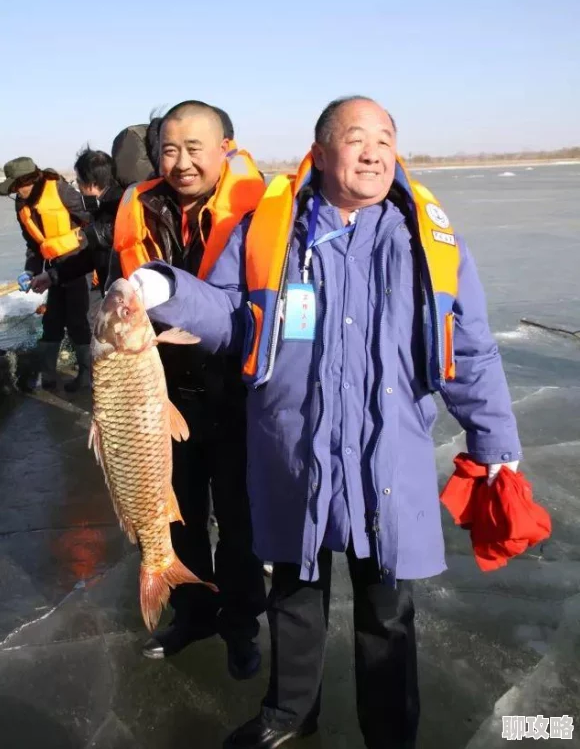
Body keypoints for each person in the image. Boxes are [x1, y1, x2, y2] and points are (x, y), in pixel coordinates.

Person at [129, 96, 523, 749]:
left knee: (387, 609)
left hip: (385, 456)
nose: (373, 150)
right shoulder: (268, 228)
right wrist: (166, 289)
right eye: (355, 137)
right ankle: (290, 713)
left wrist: (495, 442)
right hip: (296, 451)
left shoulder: (426, 236)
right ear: (321, 148)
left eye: (385, 138)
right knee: (294, 591)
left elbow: (470, 346)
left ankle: (391, 731)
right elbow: (230, 314)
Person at [109, 100, 267, 678]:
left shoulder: (262, 211)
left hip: (237, 392)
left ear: (226, 147)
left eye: (194, 148)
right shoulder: (138, 207)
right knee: (176, 514)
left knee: (240, 518)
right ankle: (193, 611)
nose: (180, 163)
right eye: (169, 150)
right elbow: (115, 291)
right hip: (160, 394)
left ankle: (241, 623)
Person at [0, 157, 92, 392]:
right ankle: (48, 375)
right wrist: (30, 270)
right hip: (52, 270)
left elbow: (91, 221)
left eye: (16, 187)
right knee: (51, 321)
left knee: (77, 321)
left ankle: (87, 376)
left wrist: (91, 254)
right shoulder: (21, 205)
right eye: (12, 190)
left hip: (78, 264)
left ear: (29, 179)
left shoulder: (61, 190)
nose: (16, 193)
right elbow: (34, 245)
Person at [30, 148, 123, 300]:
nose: (78, 186)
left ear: (91, 184)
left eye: (79, 181)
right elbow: (89, 257)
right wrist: (51, 276)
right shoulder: (104, 207)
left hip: (124, 300)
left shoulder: (116, 210)